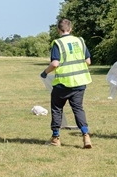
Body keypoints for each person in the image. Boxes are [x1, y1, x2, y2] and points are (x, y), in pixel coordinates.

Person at [40, 19, 93, 148]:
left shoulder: (57, 43)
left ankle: (56, 138)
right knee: (78, 109)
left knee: (57, 109)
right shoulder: (80, 41)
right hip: (80, 82)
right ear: (71, 28)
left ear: (58, 29)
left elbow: (55, 64)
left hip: (63, 83)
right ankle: (86, 136)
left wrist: (45, 72)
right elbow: (88, 61)